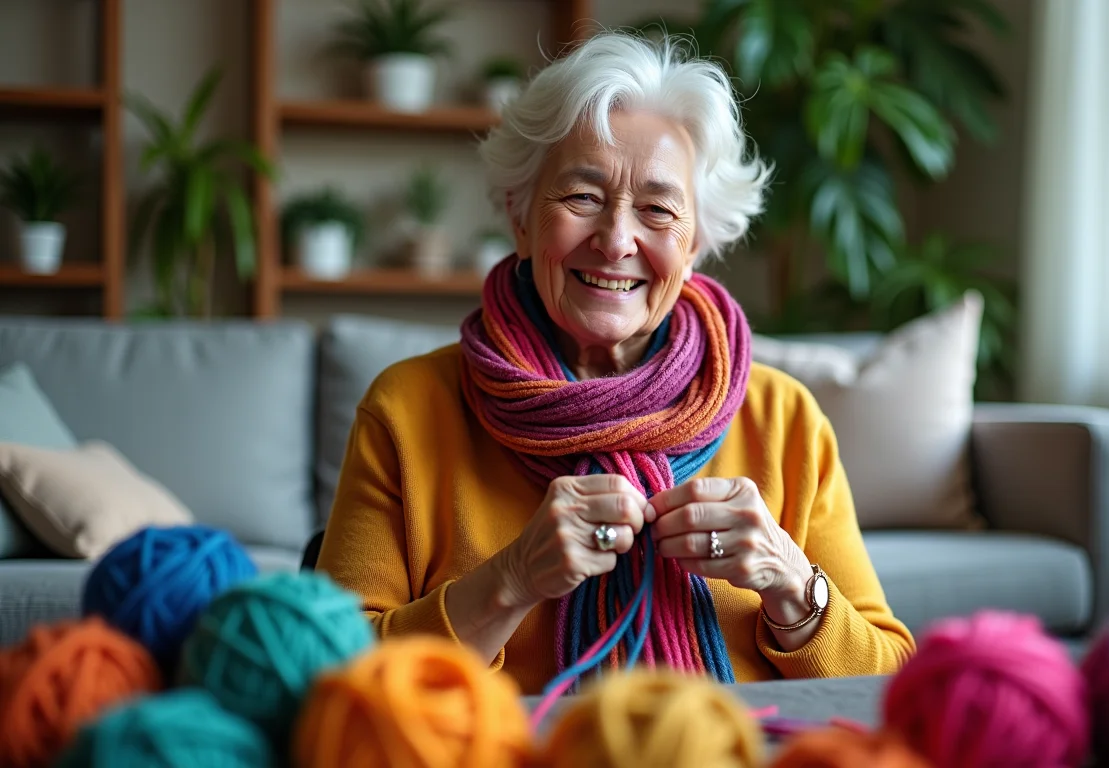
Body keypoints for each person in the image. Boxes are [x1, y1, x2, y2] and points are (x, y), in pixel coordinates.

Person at [315, 31, 914, 695]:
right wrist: (509, 581)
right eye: (583, 197)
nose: (616, 240)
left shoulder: (783, 417)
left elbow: (888, 680)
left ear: (696, 245)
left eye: (658, 210)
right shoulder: (408, 408)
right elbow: (331, 673)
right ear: (520, 216)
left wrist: (791, 582)